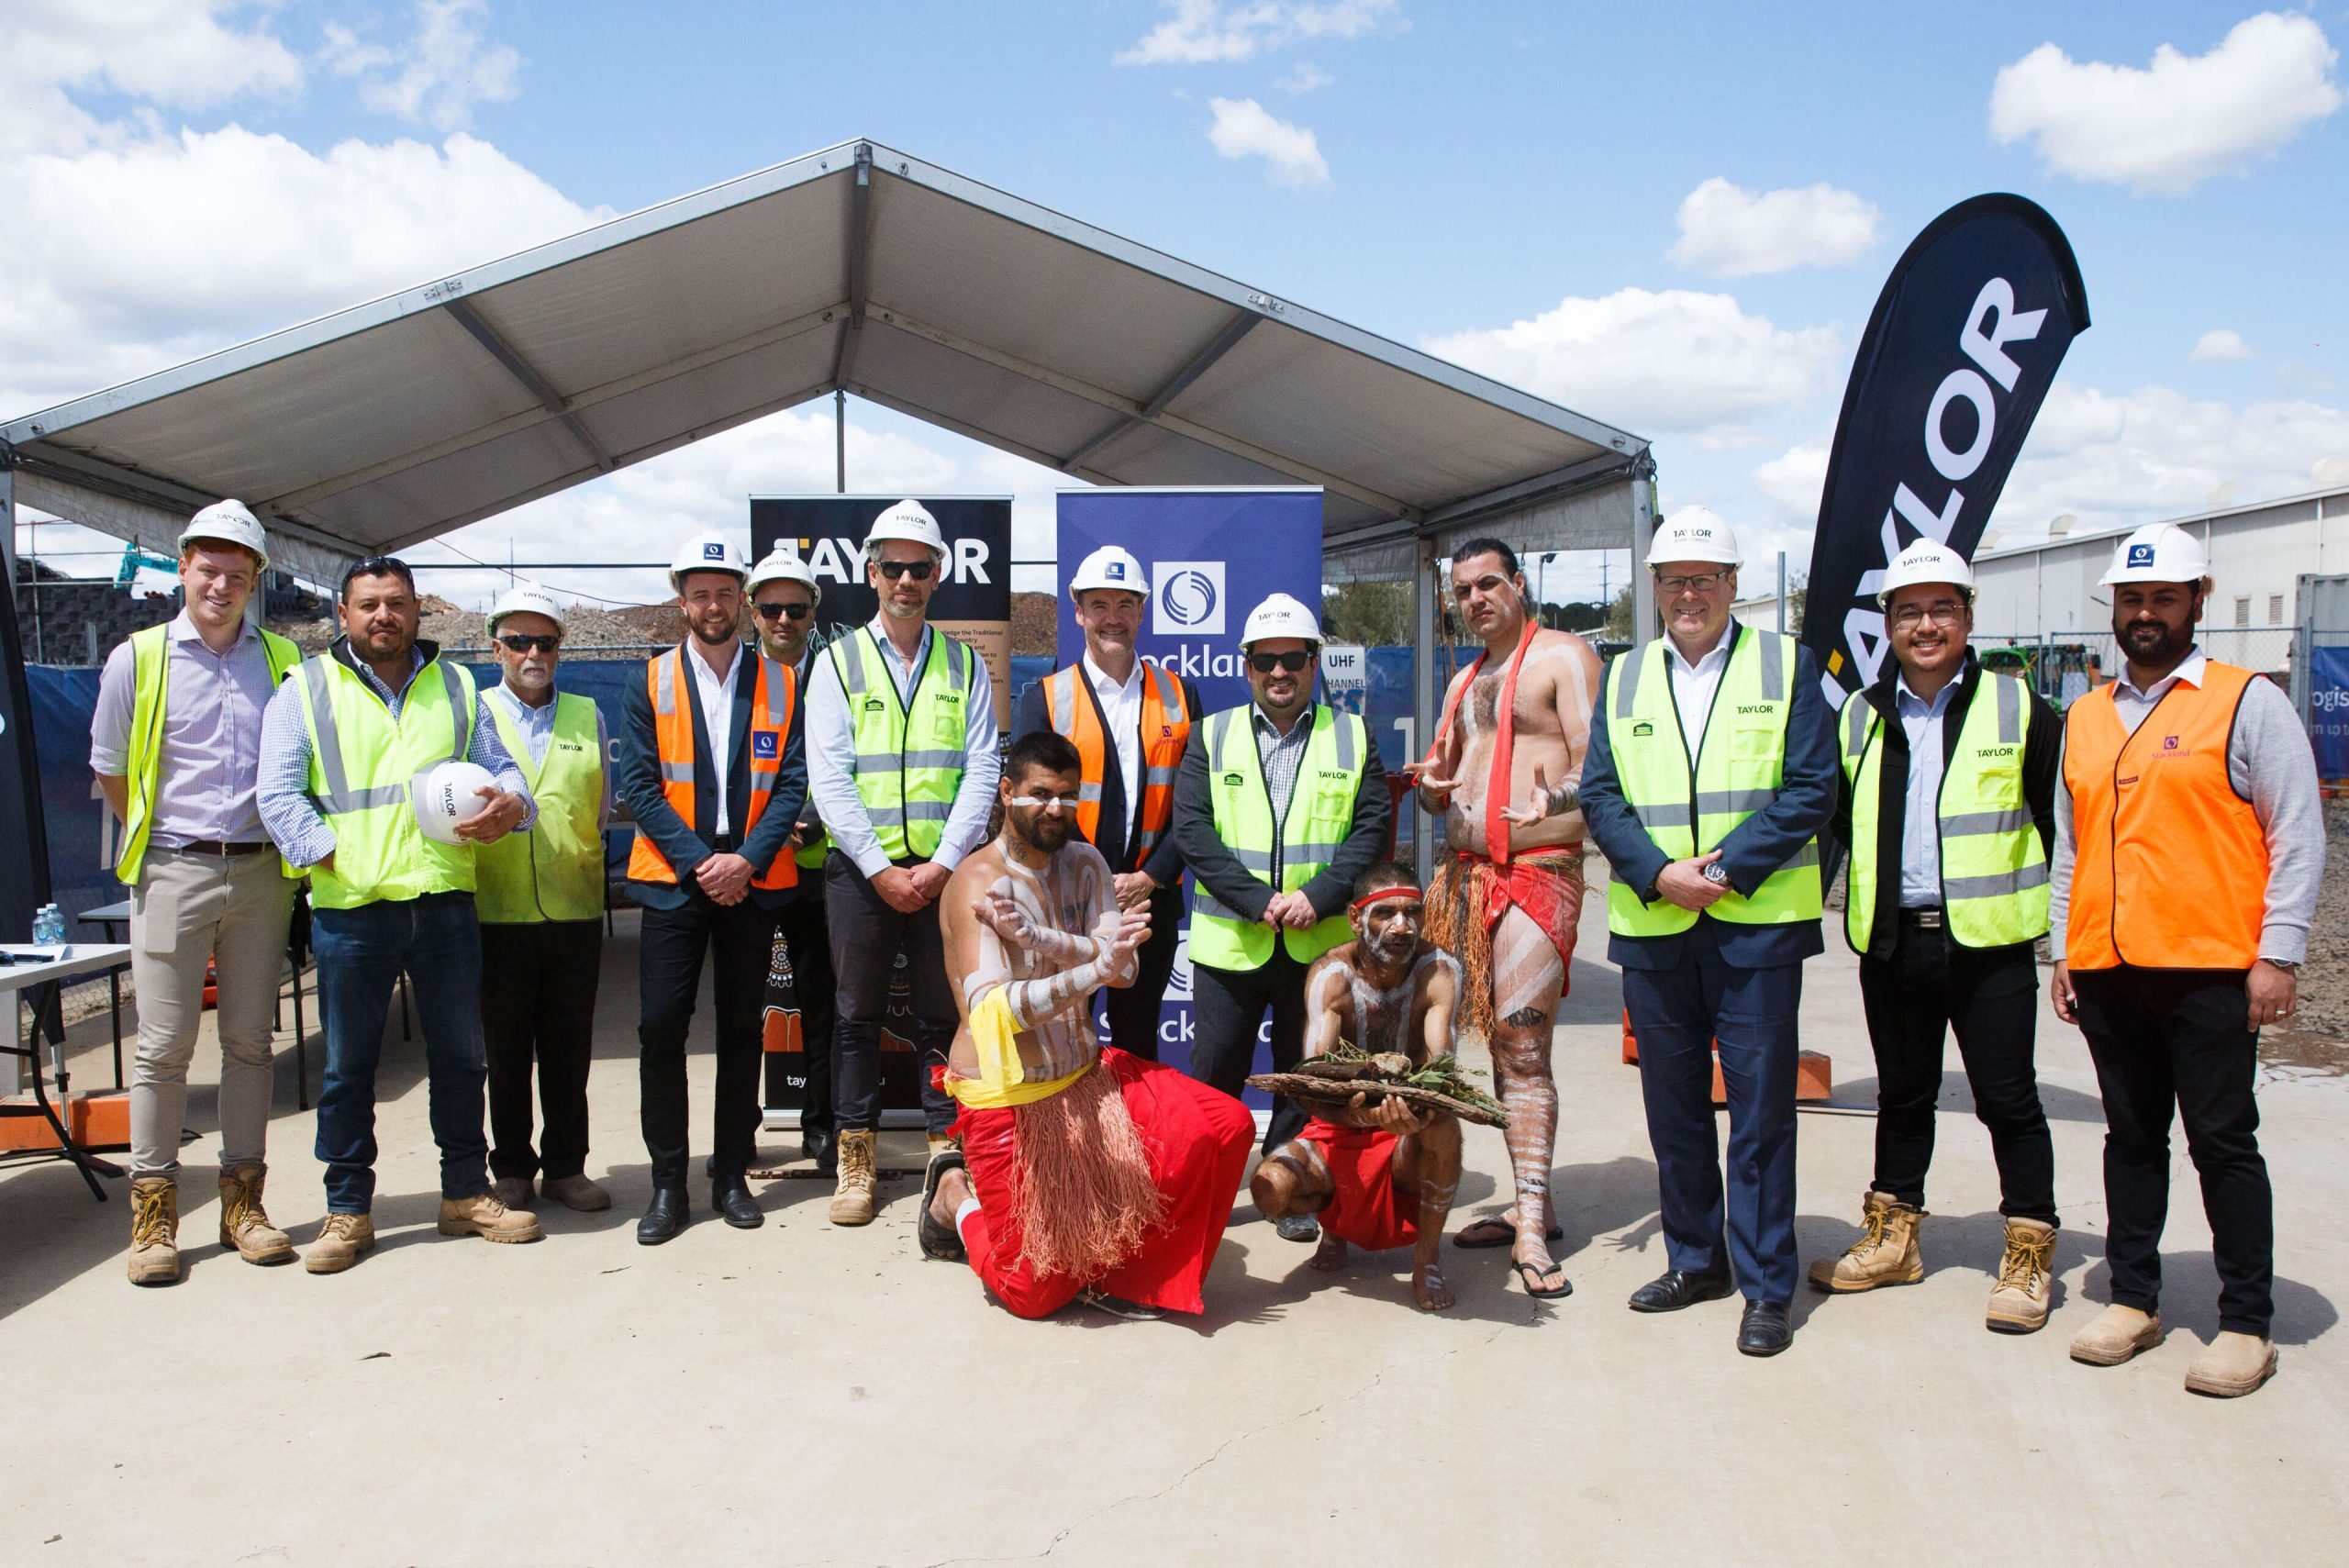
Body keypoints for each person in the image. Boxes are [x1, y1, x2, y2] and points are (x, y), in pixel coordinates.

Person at [2051, 523, 2321, 1398]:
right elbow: (2072, 844)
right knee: (2131, 1137)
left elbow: (2296, 833)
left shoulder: (2247, 703)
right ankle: (2135, 1300)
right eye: (2131, 599)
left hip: (2210, 971)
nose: (2145, 614)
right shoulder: (2088, 715)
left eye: (2163, 598)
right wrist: (2064, 948)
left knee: (2221, 1141)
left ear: (2198, 600)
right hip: (2109, 967)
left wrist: (2277, 953)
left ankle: (2247, 1322)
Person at [1577, 512, 1834, 1356]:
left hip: (1755, 930)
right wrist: (1659, 874)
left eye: (1705, 577)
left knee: (1760, 1114)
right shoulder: (1621, 677)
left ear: (1733, 582)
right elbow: (1603, 796)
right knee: (1675, 1108)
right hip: (1655, 929)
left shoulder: (1786, 665)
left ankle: (1767, 1286)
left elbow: (1809, 790)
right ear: (1654, 590)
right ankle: (1696, 1258)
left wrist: (1718, 873)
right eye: (1673, 580)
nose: (1689, 594)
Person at [256, 553, 542, 1272]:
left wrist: (512, 805)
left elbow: (503, 772)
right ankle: (348, 1209)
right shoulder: (306, 687)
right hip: (353, 908)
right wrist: (331, 853)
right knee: (349, 1068)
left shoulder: (457, 686)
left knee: (458, 1058)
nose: (383, 615)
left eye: (397, 602)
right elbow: (278, 791)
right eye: (368, 604)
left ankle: (463, 1193)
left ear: (418, 611)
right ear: (343, 616)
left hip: (443, 901)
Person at [1812, 541, 2062, 1332]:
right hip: (1893, 943)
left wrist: (2074, 945)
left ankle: (2027, 1250)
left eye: (1942, 608)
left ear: (1967, 617)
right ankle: (1895, 1238)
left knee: (2009, 1098)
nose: (1926, 625)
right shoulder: (1859, 714)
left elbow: (2065, 832)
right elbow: (1825, 826)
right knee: (1903, 1094)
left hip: (1990, 947)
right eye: (1909, 610)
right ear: (1887, 624)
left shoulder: (2020, 709)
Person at [920, 731, 1254, 1318]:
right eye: (1040, 795)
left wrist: (1062, 947)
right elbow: (994, 1012)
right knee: (1031, 1295)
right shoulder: (978, 885)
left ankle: (1124, 1272)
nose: (1056, 810)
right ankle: (954, 1198)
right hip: (1008, 1096)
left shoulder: (1088, 861)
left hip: (1084, 1077)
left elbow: (1120, 974)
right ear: (1007, 792)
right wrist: (1095, 964)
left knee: (1223, 1124)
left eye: (1068, 797)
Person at [91, 500, 304, 1285]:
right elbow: (110, 767)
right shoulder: (138, 659)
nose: (221, 584)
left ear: (255, 582)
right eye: (208, 568)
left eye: (237, 573)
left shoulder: (282, 660)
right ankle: (152, 1221)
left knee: (250, 1043)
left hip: (259, 873)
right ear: (182, 568)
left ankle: (243, 1206)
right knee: (163, 1047)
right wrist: (165, 846)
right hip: (172, 870)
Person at [1402, 537, 1600, 1300]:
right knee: (1489, 1041)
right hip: (1464, 878)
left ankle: (1527, 1231)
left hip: (1536, 874)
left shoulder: (1563, 657)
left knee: (1522, 1044)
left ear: (1519, 584)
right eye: (1464, 590)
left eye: (1490, 583)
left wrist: (1558, 798)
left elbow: (1597, 765)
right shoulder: (1465, 678)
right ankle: (1534, 1206)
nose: (1477, 598)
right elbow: (1438, 780)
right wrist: (1431, 786)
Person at [804, 500, 1001, 1227]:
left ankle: (946, 1154)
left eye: (919, 567)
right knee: (854, 1016)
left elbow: (983, 770)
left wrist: (944, 863)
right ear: (871, 572)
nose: (906, 579)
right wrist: (883, 867)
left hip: (942, 874)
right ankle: (855, 1156)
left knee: (941, 1017)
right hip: (863, 873)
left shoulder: (963, 662)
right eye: (893, 566)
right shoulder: (837, 661)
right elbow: (830, 778)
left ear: (938, 574)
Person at [1173, 592, 1390, 1243]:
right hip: (1229, 946)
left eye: (1291, 658)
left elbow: (1371, 827)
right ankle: (1203, 1195)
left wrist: (1318, 895)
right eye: (1264, 660)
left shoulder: (1351, 735)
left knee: (1306, 1078)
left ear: (1313, 661)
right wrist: (1257, 900)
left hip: (1316, 948)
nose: (1278, 672)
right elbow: (1193, 830)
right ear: (1245, 666)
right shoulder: (1212, 734)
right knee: (1212, 1081)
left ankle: (1290, 1189)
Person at [617, 533, 807, 1244]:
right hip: (676, 882)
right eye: (700, 592)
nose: (713, 603)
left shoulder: (783, 682)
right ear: (682, 600)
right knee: (661, 1027)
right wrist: (704, 862)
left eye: (726, 591)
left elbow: (792, 782)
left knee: (739, 1029)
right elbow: (638, 782)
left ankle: (730, 1172)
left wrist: (746, 861)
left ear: (744, 601)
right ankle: (669, 1181)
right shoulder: (650, 680)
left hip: (751, 886)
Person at [1010, 545, 1200, 1062]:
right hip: (1063, 900)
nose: (1111, 619)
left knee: (1139, 1041)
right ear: (1078, 611)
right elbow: (1030, 806)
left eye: (1124, 605)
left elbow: (1195, 806)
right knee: (1064, 1038)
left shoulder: (1180, 695)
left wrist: (1151, 877)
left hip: (1148, 900)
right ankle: (1069, 1145)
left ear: (1142, 611)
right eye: (1099, 605)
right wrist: (1091, 873)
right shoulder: (1045, 698)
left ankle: (1131, 1144)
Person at [1251, 865, 1465, 1311]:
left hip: (1406, 1131)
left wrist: (1413, 1115)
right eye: (1385, 913)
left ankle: (1427, 1259)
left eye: (1412, 913)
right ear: (1355, 918)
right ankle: (1335, 1229)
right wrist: (1360, 1115)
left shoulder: (1439, 969)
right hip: (1337, 1130)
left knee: (1444, 1129)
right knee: (1271, 1186)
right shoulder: (1332, 975)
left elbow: (1442, 1067)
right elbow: (1310, 1085)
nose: (1402, 926)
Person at [473, 586, 612, 1215]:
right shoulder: (472, 713)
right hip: (497, 907)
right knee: (505, 1050)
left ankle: (565, 1166)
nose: (534, 653)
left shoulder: (587, 714)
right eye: (520, 641)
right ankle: (511, 1168)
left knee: (567, 1046)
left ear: (561, 649)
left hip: (573, 906)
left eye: (547, 642)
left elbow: (603, 805)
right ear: (495, 647)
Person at [745, 545, 839, 1175]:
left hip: (819, 867)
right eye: (772, 607)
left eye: (795, 608)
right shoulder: (734, 680)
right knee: (741, 1004)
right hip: (752, 869)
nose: (783, 619)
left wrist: (813, 820)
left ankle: (822, 1127)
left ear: (813, 613)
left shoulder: (836, 675)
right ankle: (738, 1131)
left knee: (822, 1000)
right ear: (753, 612)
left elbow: (850, 763)